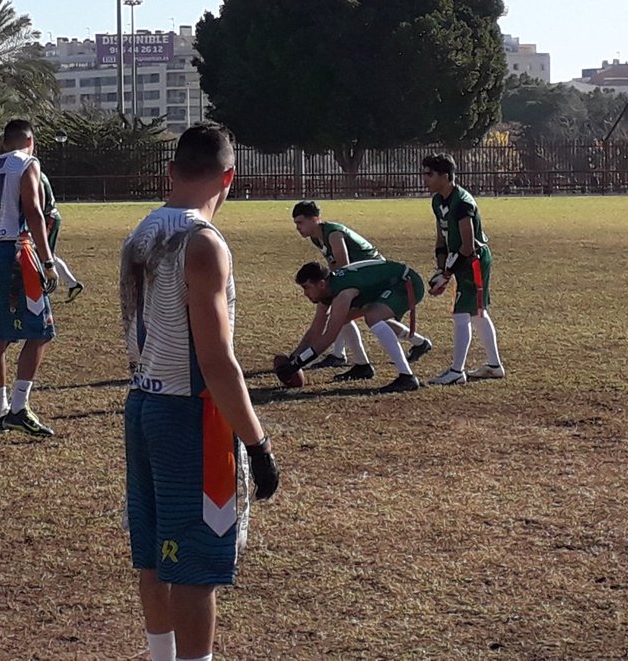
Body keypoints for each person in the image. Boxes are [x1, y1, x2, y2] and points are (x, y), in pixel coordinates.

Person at [121, 123, 279, 661]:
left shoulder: (140, 232)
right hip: (190, 415)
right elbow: (216, 360)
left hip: (141, 402)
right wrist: (257, 444)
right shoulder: (203, 241)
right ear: (229, 178)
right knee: (194, 566)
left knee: (154, 556)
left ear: (171, 172)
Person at [0, 119, 58, 437]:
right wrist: (47, 261)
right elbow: (33, 211)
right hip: (18, 252)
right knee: (41, 331)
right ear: (30, 141)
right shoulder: (27, 162)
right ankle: (19, 408)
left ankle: (0, 412)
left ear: (5, 142)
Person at [292, 200, 433, 379]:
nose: (297, 227)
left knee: (364, 315)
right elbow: (334, 266)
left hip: (375, 278)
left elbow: (343, 267)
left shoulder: (333, 234)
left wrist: (298, 361)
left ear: (315, 219)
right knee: (353, 316)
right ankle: (413, 345)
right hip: (360, 279)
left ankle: (355, 360)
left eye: (300, 222)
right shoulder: (316, 237)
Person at [422, 153, 506, 385]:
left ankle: (457, 371)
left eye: (430, 174)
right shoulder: (438, 201)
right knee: (477, 313)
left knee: (462, 314)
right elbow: (442, 238)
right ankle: (494, 365)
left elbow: (468, 246)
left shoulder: (463, 202)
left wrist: (447, 274)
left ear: (445, 176)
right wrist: (441, 268)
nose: (425, 179)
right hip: (459, 259)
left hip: (474, 261)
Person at [283, 259, 425, 394]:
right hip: (391, 282)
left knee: (373, 317)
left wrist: (297, 364)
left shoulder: (342, 294)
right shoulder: (327, 289)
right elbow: (315, 330)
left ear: (321, 284)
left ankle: (407, 376)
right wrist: (294, 357)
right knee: (341, 318)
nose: (305, 293)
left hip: (405, 283)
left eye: (307, 288)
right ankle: (362, 366)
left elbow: (329, 337)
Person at [41, 171, 84, 303]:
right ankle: (72, 284)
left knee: (43, 254)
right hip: (48, 217)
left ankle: (46, 286)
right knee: (47, 254)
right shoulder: (36, 173)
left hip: (49, 218)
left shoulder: (33, 175)